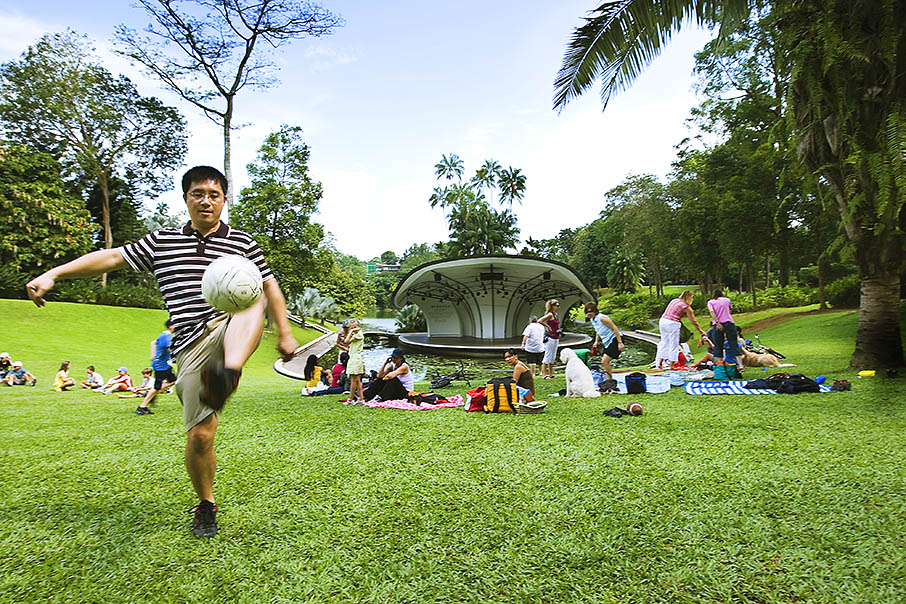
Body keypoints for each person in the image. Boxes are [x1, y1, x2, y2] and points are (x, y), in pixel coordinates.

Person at [25, 165, 299, 538]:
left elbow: (270, 289)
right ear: (186, 199)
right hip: (190, 344)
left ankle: (228, 370)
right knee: (201, 435)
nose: (206, 201)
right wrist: (54, 273)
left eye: (214, 194)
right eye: (198, 193)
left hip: (232, 327)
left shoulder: (243, 244)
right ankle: (206, 504)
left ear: (223, 200)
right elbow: (111, 258)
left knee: (250, 294)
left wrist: (284, 332)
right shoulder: (163, 241)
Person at [655, 290, 706, 370]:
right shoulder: (686, 306)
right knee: (674, 344)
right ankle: (672, 365)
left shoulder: (674, 301)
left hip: (663, 321)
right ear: (689, 297)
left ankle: (660, 363)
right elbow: (694, 321)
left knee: (665, 342)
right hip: (672, 324)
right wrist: (701, 331)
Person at [136, 319, 178, 415]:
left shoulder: (163, 334)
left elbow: (153, 342)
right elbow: (169, 349)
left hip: (160, 364)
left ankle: (153, 393)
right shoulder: (167, 336)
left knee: (171, 381)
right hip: (161, 365)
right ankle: (144, 404)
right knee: (172, 381)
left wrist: (153, 355)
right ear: (171, 326)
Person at [584, 302, 624, 380]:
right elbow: (598, 331)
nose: (589, 314)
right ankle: (608, 378)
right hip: (607, 342)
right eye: (587, 312)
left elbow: (615, 328)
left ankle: (609, 380)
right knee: (605, 362)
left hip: (615, 339)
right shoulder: (593, 320)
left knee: (604, 361)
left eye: (591, 311)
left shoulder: (602, 318)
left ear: (595, 311)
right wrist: (596, 342)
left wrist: (620, 342)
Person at [707, 289, 743, 367]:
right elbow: (730, 310)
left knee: (718, 345)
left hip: (717, 324)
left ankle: (719, 366)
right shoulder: (727, 300)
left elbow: (712, 312)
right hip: (729, 322)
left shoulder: (710, 302)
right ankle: (740, 365)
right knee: (733, 343)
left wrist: (717, 322)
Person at [538, 299, 562, 379]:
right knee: (548, 355)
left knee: (553, 356)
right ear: (552, 306)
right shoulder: (550, 314)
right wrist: (547, 326)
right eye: (557, 306)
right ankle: (544, 374)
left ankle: (551, 374)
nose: (558, 307)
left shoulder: (555, 314)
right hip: (550, 337)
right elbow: (540, 320)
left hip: (556, 336)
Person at [344, 319, 365, 403]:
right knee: (357, 380)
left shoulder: (358, 335)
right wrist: (350, 331)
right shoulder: (357, 335)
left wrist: (351, 331)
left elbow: (346, 341)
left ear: (359, 327)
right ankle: (361, 398)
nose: (353, 329)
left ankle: (351, 399)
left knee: (353, 380)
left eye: (355, 327)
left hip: (355, 359)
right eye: (352, 327)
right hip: (355, 358)